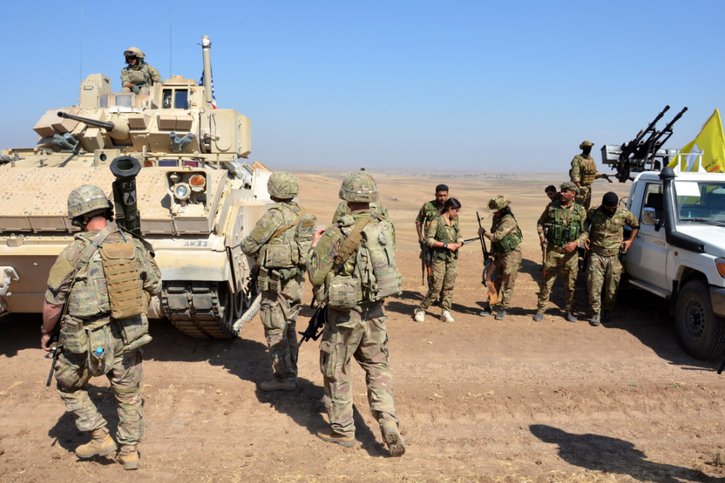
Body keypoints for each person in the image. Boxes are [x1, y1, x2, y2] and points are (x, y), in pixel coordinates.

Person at [41, 185, 161, 470]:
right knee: (129, 394)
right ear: (106, 212)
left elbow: (53, 304)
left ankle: (99, 435)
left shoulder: (73, 252)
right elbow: (155, 284)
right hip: (128, 333)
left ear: (79, 218)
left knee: (69, 385)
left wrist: (47, 332)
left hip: (85, 337)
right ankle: (129, 452)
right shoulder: (133, 244)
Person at [308, 170, 405, 456]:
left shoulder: (338, 232)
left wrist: (316, 245)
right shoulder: (384, 227)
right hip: (375, 311)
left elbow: (315, 275)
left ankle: (343, 429)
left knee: (336, 368)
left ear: (345, 197)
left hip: (344, 316)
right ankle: (388, 421)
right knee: (377, 367)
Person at [241, 171, 314, 392]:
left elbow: (249, 245)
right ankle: (291, 372)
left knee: (275, 327)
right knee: (290, 326)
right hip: (295, 282)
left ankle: (283, 378)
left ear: (273, 191)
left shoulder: (274, 216)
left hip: (276, 283)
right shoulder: (303, 215)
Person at [535, 181, 588, 322]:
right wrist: (542, 237)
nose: (562, 193)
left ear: (573, 193)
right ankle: (541, 309)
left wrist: (576, 243)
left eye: (565, 191)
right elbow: (540, 223)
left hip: (571, 254)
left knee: (570, 284)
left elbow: (586, 232)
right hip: (553, 251)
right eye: (562, 191)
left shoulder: (580, 210)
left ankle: (569, 310)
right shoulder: (552, 207)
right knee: (547, 282)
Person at [586, 192, 639, 326]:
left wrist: (630, 241)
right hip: (596, 254)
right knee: (594, 286)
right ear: (603, 204)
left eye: (614, 207)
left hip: (614, 256)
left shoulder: (623, 213)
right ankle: (595, 313)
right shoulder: (594, 212)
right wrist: (585, 235)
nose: (612, 210)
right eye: (609, 207)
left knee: (611, 288)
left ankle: (607, 310)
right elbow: (585, 222)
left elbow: (636, 225)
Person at [414, 198, 463, 323]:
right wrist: (446, 245)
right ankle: (420, 309)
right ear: (449, 209)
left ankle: (445, 311)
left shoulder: (455, 221)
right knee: (436, 287)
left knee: (449, 285)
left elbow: (459, 235)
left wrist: (459, 243)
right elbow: (429, 240)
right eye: (456, 210)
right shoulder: (437, 221)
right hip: (439, 259)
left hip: (451, 259)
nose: (457, 213)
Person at [479, 196, 523, 320]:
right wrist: (491, 252)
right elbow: (494, 240)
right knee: (494, 280)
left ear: (503, 209)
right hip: (499, 254)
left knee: (508, 282)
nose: (495, 213)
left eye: (496, 210)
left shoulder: (508, 220)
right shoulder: (496, 218)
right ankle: (490, 304)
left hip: (511, 255)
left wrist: (483, 233)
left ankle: (503, 308)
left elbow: (496, 237)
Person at [415, 184, 449, 290]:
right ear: (436, 194)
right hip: (429, 244)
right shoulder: (428, 206)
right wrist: (420, 237)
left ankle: (443, 295)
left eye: (444, 195)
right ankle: (432, 293)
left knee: (445, 270)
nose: (442, 198)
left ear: (447, 195)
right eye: (440, 195)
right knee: (430, 268)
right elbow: (418, 221)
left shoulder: (450, 207)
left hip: (444, 244)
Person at [569, 140, 608, 209]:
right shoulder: (577, 159)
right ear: (583, 148)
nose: (589, 149)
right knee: (577, 207)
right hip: (579, 188)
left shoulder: (591, 160)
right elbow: (575, 175)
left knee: (586, 207)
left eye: (590, 147)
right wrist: (580, 188)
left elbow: (593, 173)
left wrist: (602, 175)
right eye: (586, 147)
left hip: (588, 188)